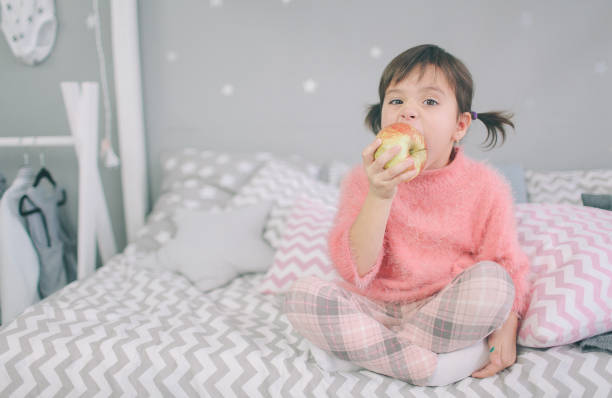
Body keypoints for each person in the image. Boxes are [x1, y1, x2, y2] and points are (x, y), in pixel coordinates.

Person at [282, 44, 530, 386]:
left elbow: (505, 262)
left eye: (429, 101)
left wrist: (507, 324)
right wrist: (380, 194)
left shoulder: (486, 185)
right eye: (396, 100)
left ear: (459, 126)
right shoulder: (361, 179)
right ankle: (425, 366)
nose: (407, 112)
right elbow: (356, 272)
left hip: (443, 308)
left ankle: (365, 355)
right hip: (374, 308)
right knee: (302, 295)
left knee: (494, 283)